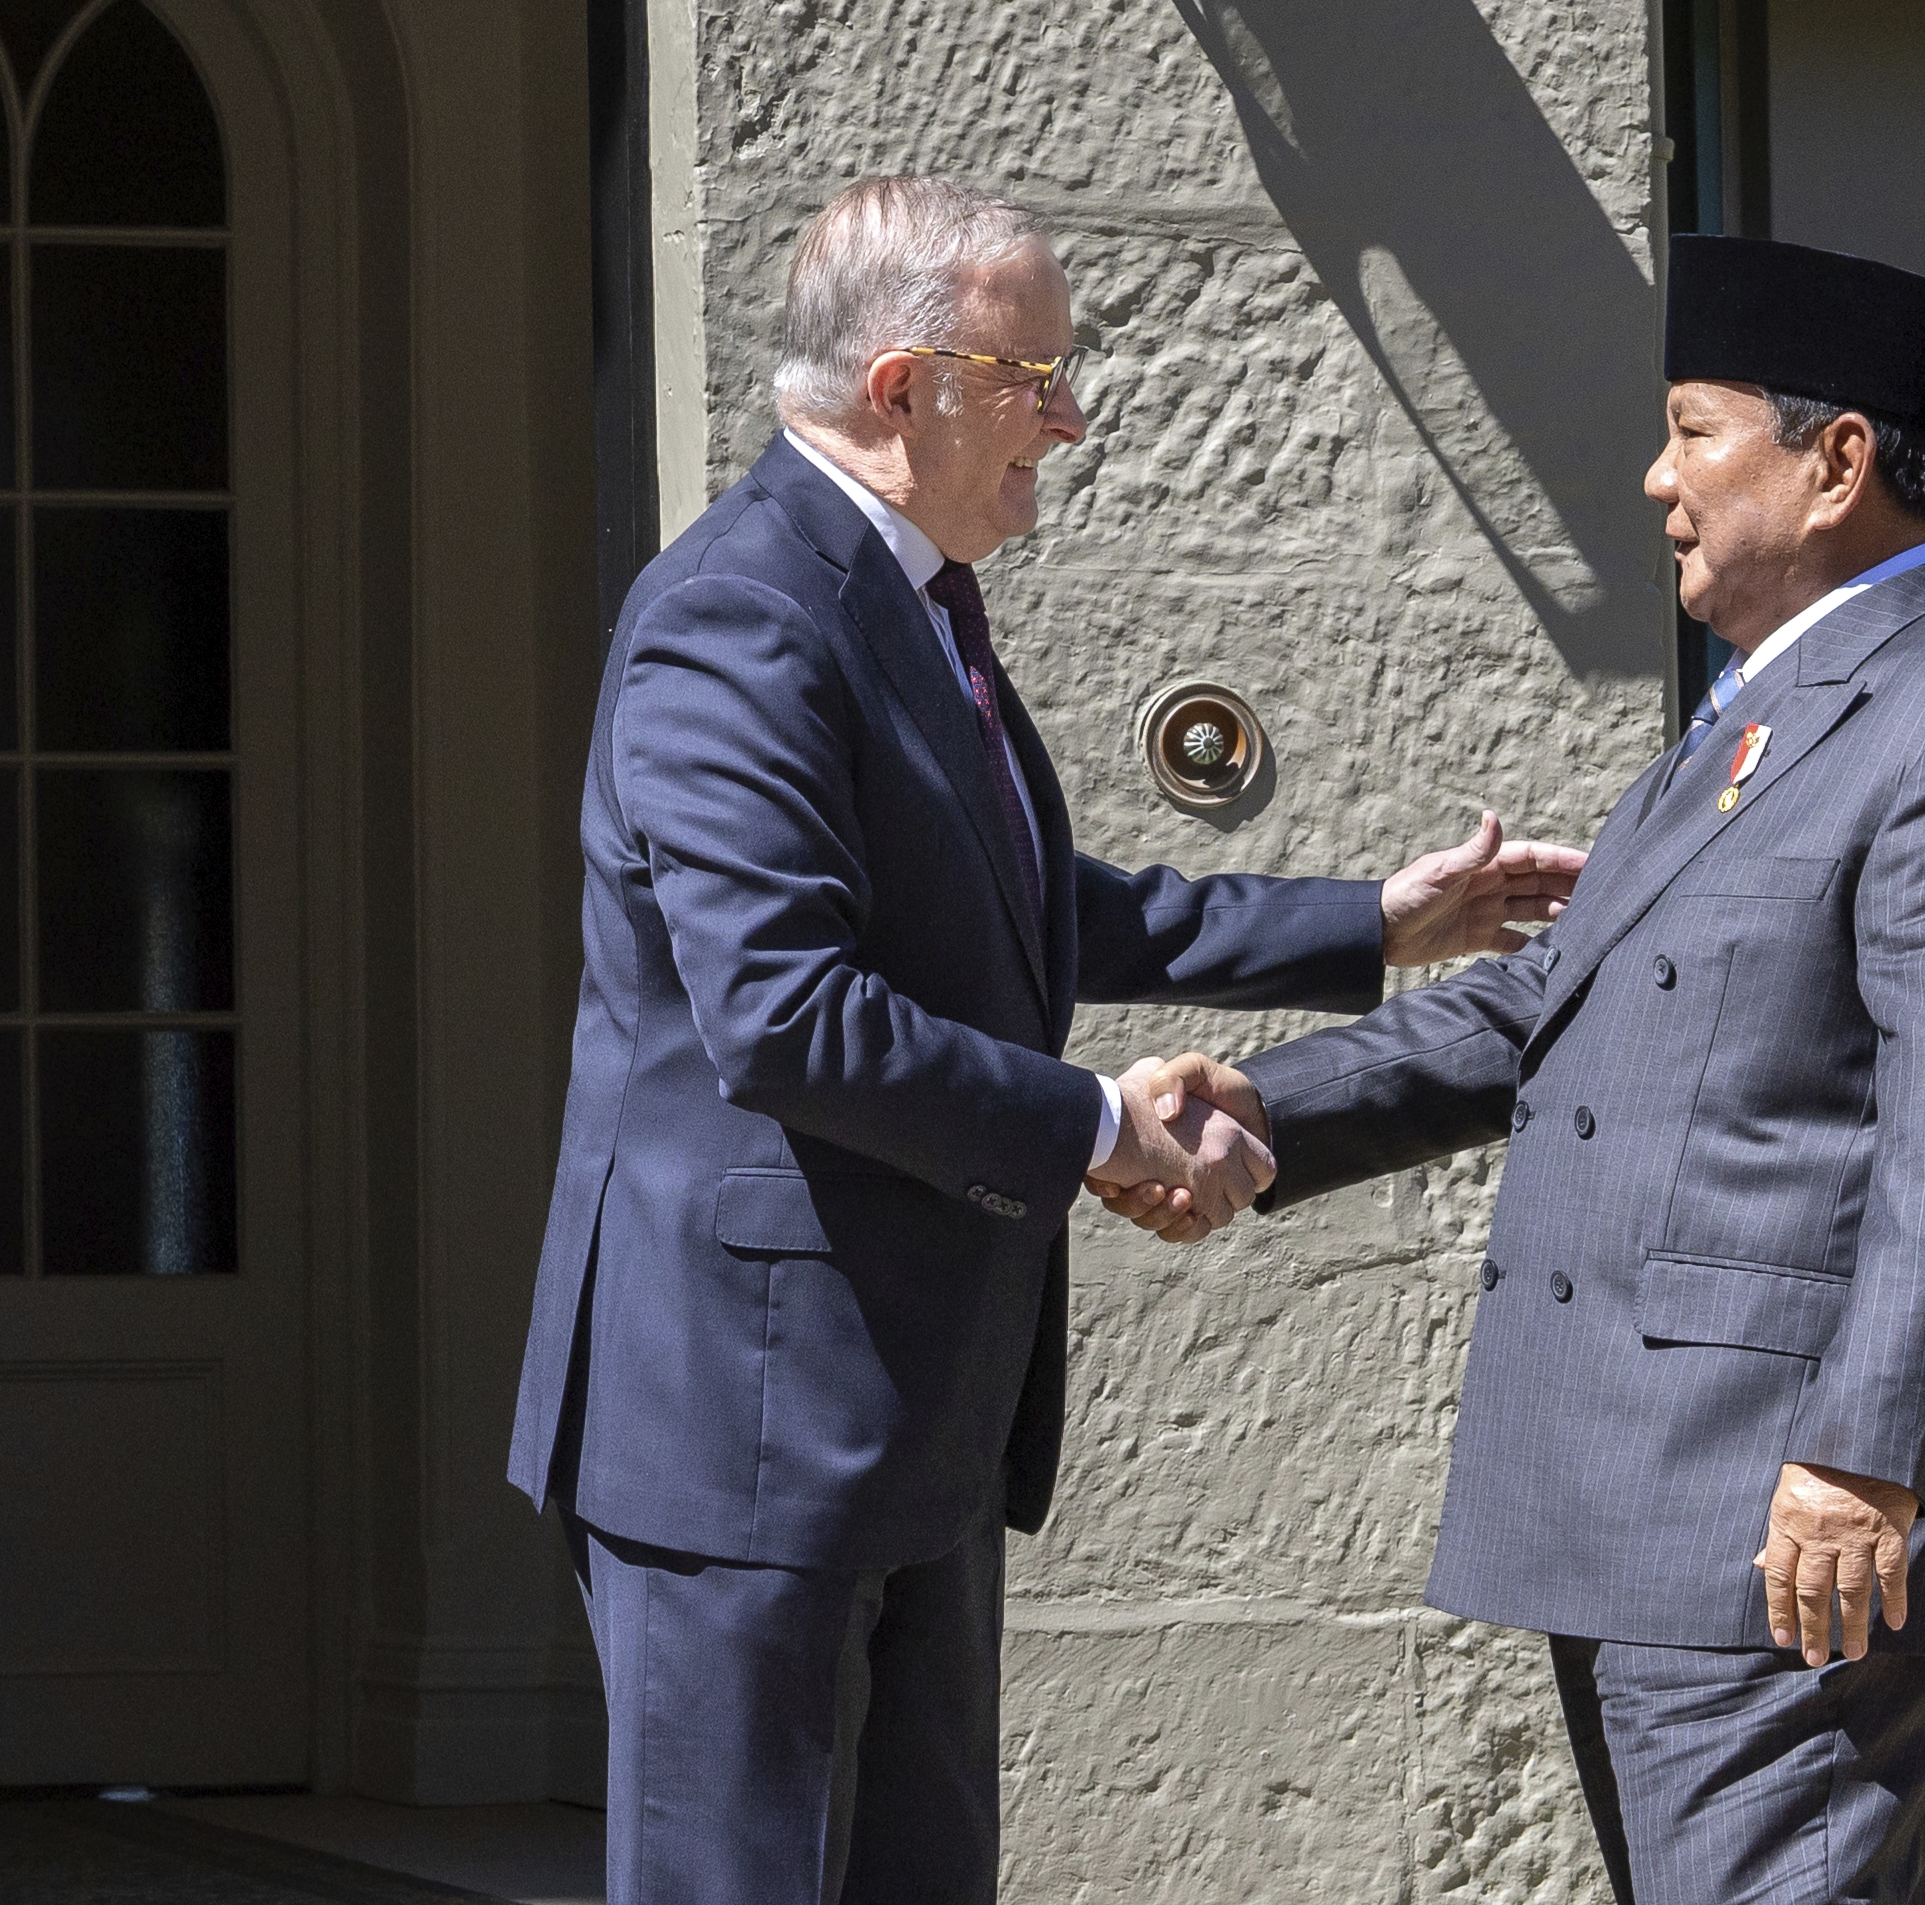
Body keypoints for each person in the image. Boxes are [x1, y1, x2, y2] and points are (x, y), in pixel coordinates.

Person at [503, 175, 1585, 1905]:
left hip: (908, 1399)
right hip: (750, 1420)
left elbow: (1012, 900)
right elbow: (783, 1014)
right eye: (1034, 378)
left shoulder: (905, 590)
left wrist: (1370, 926)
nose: (1068, 421)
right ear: (900, 387)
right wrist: (1096, 1122)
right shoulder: (738, 611)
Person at [1111, 234, 1925, 1904]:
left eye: (1694, 429)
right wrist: (1253, 1114)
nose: (1656, 479)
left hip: (1796, 1528)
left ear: (1837, 463)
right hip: (1673, 1512)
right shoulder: (1763, 712)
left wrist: (1863, 1456)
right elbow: (1549, 1010)